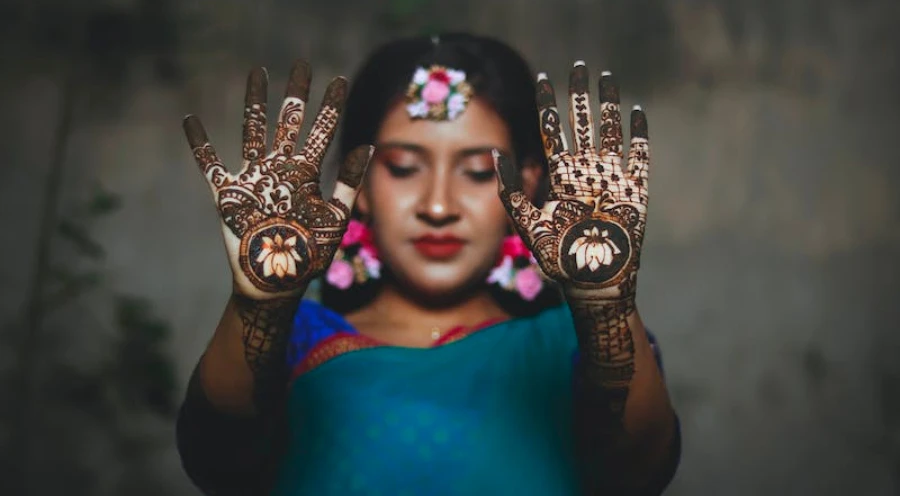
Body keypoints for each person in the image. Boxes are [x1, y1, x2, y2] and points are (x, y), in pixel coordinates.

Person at [176, 33, 681, 495]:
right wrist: (260, 308)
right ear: (361, 183)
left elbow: (636, 475)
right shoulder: (297, 338)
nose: (438, 206)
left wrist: (606, 311)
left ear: (527, 187)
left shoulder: (570, 346)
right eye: (403, 168)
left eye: (479, 172)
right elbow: (218, 459)